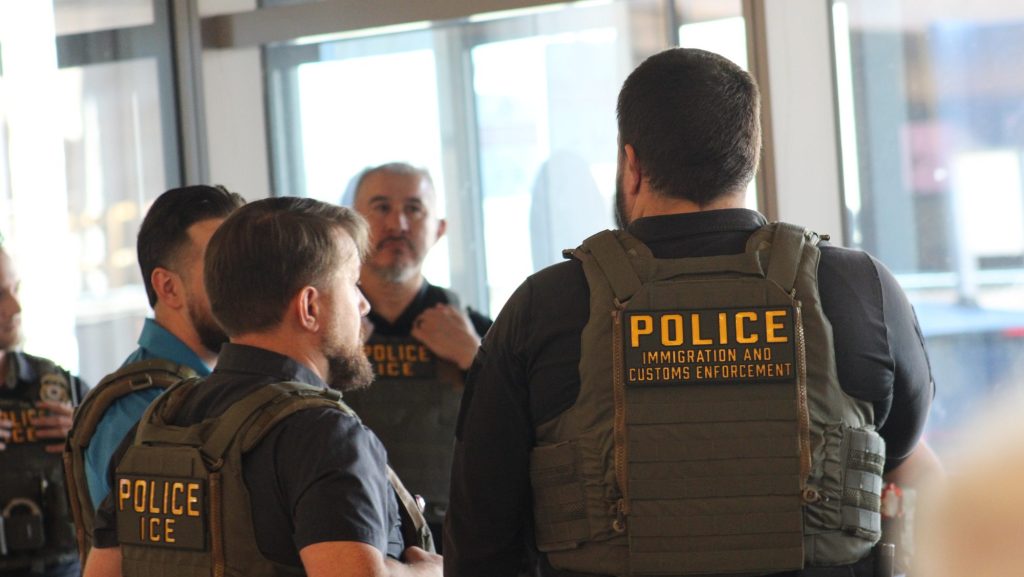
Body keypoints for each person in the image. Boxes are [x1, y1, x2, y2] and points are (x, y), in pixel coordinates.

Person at [445, 48, 935, 577]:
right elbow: (901, 455)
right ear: (749, 159)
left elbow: (480, 543)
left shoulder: (542, 307)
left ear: (631, 165)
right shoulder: (863, 290)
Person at [83, 197, 441, 577]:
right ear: (309, 307)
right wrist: (431, 572)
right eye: (353, 284)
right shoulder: (326, 436)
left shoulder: (160, 421)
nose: (363, 305)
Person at [63, 185, 244, 560]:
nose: (244, 286)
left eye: (243, 266)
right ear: (168, 287)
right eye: (220, 268)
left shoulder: (222, 387)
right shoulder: (137, 411)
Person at [342, 163, 491, 547]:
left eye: (414, 209)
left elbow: (527, 426)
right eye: (381, 208)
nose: (398, 224)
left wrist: (476, 361)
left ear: (439, 229)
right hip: (348, 533)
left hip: (454, 540)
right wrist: (334, 361)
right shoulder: (318, 331)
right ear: (352, 225)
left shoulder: (480, 333)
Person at [0, 245, 89, 577]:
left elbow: (129, 472)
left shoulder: (59, 386)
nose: (16, 307)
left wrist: (90, 436)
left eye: (16, 288)